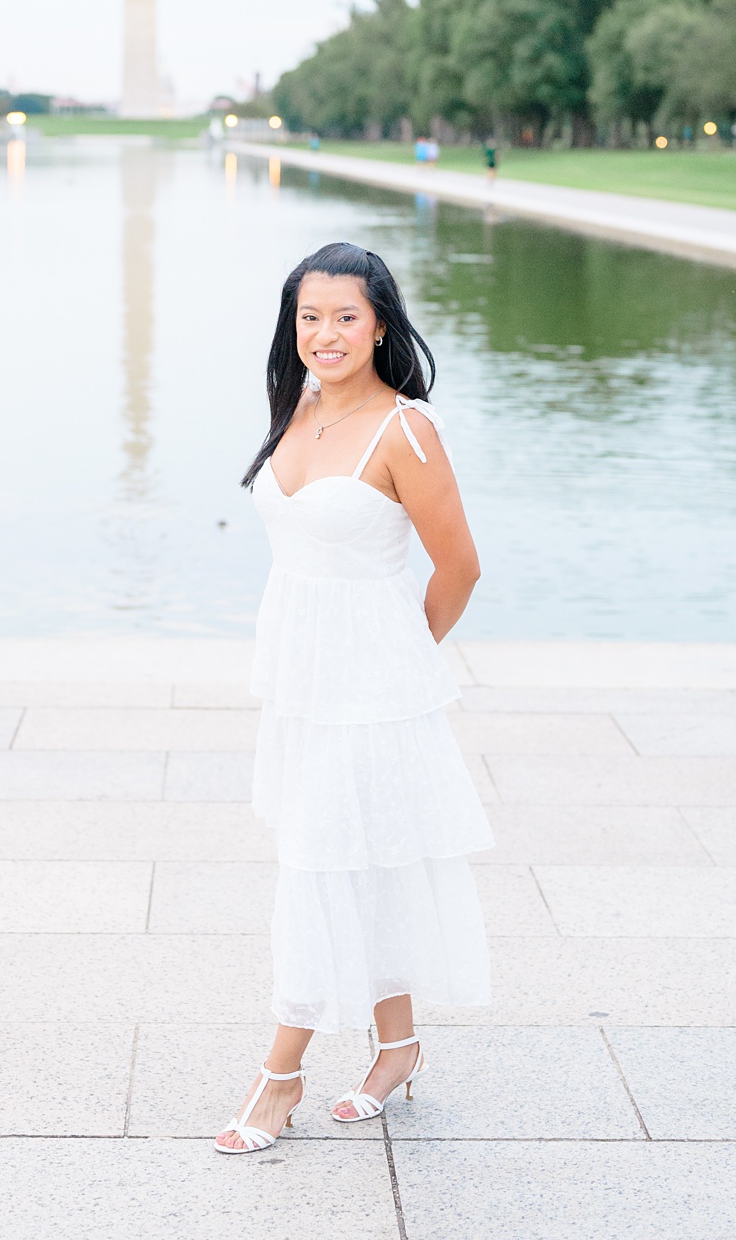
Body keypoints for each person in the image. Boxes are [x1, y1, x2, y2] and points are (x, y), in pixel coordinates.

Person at [212, 243, 490, 1156]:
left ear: (381, 324)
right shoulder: (295, 406)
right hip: (300, 681)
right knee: (349, 857)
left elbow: (460, 568)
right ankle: (397, 1047)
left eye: (344, 317)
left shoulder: (404, 429)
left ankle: (278, 1073)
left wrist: (398, 664)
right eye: (308, 317)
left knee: (320, 863)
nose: (324, 335)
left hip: (371, 690)